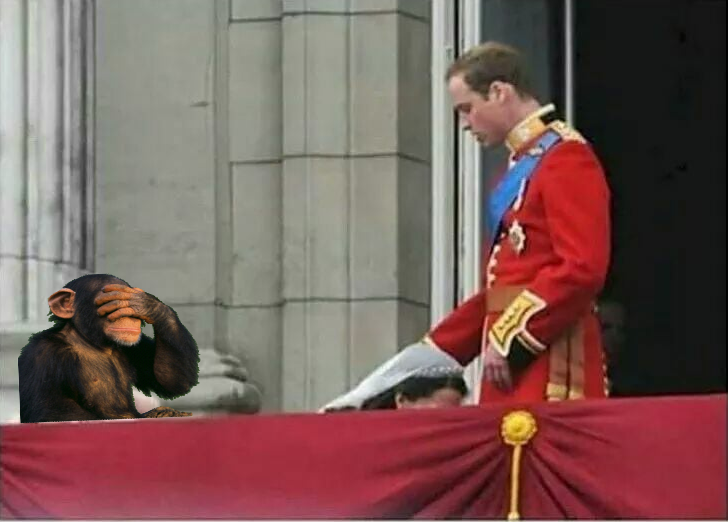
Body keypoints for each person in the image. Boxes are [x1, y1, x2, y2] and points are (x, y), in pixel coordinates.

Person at [322, 41, 611, 409]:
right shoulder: (528, 160)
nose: (464, 124)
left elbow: (582, 268)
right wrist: (423, 359)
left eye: (467, 109)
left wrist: (511, 337)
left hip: (549, 368)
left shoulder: (566, 157)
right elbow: (500, 293)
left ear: (499, 92)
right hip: (512, 368)